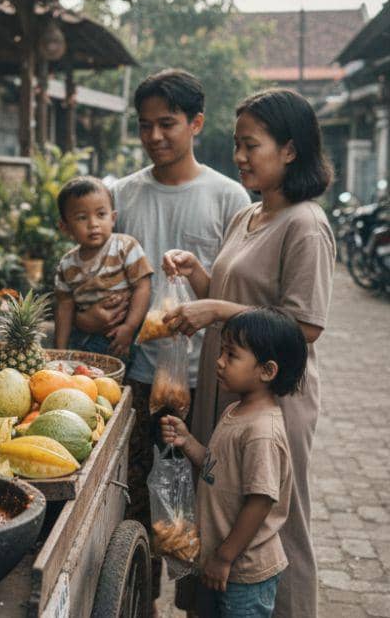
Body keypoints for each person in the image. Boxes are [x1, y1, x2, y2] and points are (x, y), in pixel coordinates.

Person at [74, 69, 250, 606]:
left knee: (203, 502)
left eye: (167, 123)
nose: (154, 136)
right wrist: (90, 315)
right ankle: (139, 602)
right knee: (132, 502)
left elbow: (231, 292)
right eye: (144, 125)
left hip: (206, 383)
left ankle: (199, 605)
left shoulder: (229, 197)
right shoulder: (120, 195)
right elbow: (92, 273)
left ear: (196, 123)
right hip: (133, 376)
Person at [163, 88, 335, 617]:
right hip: (230, 389)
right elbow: (234, 295)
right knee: (219, 501)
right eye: (237, 144)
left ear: (290, 149)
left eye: (250, 145)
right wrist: (198, 275)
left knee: (277, 521)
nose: (238, 156)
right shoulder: (250, 215)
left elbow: (304, 325)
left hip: (273, 401)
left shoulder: (305, 224)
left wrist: (216, 308)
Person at [161, 307, 305, 618]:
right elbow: (217, 467)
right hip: (222, 562)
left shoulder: (261, 432)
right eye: (222, 351)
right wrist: (188, 442)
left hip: (244, 572)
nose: (219, 361)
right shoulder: (235, 412)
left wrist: (224, 557)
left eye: (231, 355)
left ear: (267, 371)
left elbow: (260, 501)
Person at [53, 176, 153, 359]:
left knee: (117, 375)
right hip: (81, 340)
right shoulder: (67, 265)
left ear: (113, 218)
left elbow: (143, 287)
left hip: (120, 338)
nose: (93, 224)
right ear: (65, 227)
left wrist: (129, 327)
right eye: (82, 217)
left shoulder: (125, 247)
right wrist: (59, 351)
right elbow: (64, 308)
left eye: (101, 214)